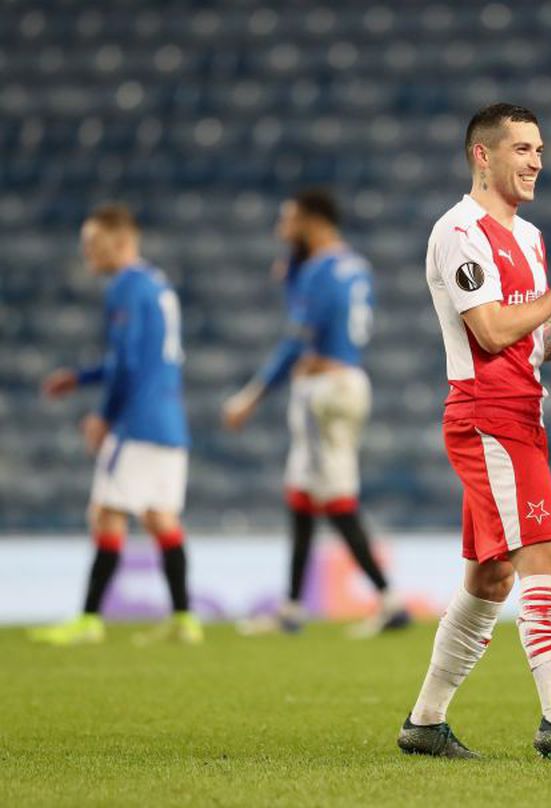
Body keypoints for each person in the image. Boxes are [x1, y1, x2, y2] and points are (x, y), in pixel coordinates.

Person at [397, 103, 551, 764]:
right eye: (522, 149)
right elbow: (492, 330)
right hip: (487, 417)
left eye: (540, 150)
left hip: (520, 414)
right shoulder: (459, 232)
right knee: (546, 557)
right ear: (483, 155)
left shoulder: (527, 236)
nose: (536, 162)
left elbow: (528, 345)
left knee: (491, 577)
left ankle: (425, 722)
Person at [223, 189, 409, 638]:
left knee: (337, 498)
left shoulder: (318, 271)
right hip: (347, 380)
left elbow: (296, 341)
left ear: (313, 220)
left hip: (326, 390)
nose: (282, 228)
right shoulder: (354, 265)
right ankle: (291, 608)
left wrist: (250, 396)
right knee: (303, 493)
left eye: (289, 219)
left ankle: (390, 602)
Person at [33, 203, 201, 646]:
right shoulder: (156, 284)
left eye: (94, 242)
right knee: (161, 517)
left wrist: (104, 416)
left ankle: (89, 620)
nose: (86, 250)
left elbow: (127, 363)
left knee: (106, 513)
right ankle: (185, 619)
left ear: (122, 241)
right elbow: (142, 358)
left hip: (137, 423)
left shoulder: (125, 287)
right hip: (169, 421)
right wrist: (81, 377)